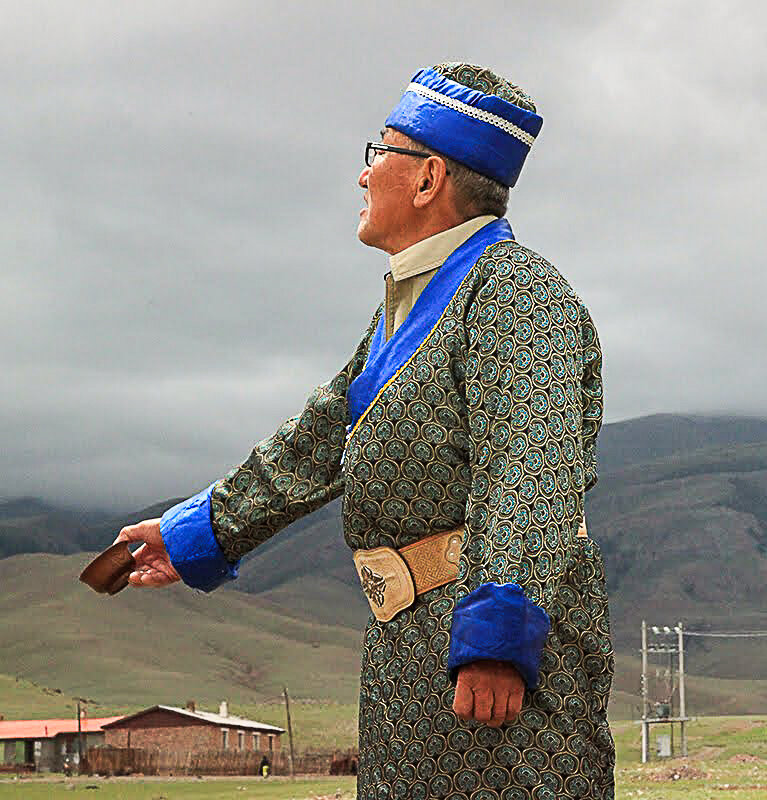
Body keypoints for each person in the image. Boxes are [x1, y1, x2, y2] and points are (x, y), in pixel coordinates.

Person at [114, 62, 614, 799]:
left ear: (427, 178)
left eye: (377, 152)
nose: (362, 176)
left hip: (490, 658)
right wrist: (197, 532)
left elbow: (529, 468)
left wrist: (500, 637)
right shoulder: (407, 312)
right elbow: (317, 440)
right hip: (411, 645)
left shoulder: (518, 294)